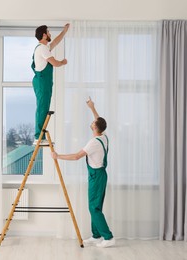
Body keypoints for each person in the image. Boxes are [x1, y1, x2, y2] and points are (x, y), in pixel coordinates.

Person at [51, 97, 115, 248]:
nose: (92, 122)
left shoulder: (93, 143)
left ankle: (109, 237)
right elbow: (98, 119)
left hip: (97, 176)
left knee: (94, 207)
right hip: (99, 175)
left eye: (93, 123)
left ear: (95, 128)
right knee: (95, 206)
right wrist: (92, 108)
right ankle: (96, 235)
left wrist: (58, 156)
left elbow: (76, 156)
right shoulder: (104, 137)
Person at [32, 24, 69, 146]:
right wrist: (63, 62)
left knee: (43, 107)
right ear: (44, 35)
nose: (50, 34)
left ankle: (40, 136)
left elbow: (56, 42)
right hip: (42, 81)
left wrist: (64, 31)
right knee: (42, 108)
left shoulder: (44, 48)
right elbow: (54, 63)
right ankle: (38, 137)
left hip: (43, 81)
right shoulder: (42, 48)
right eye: (48, 32)